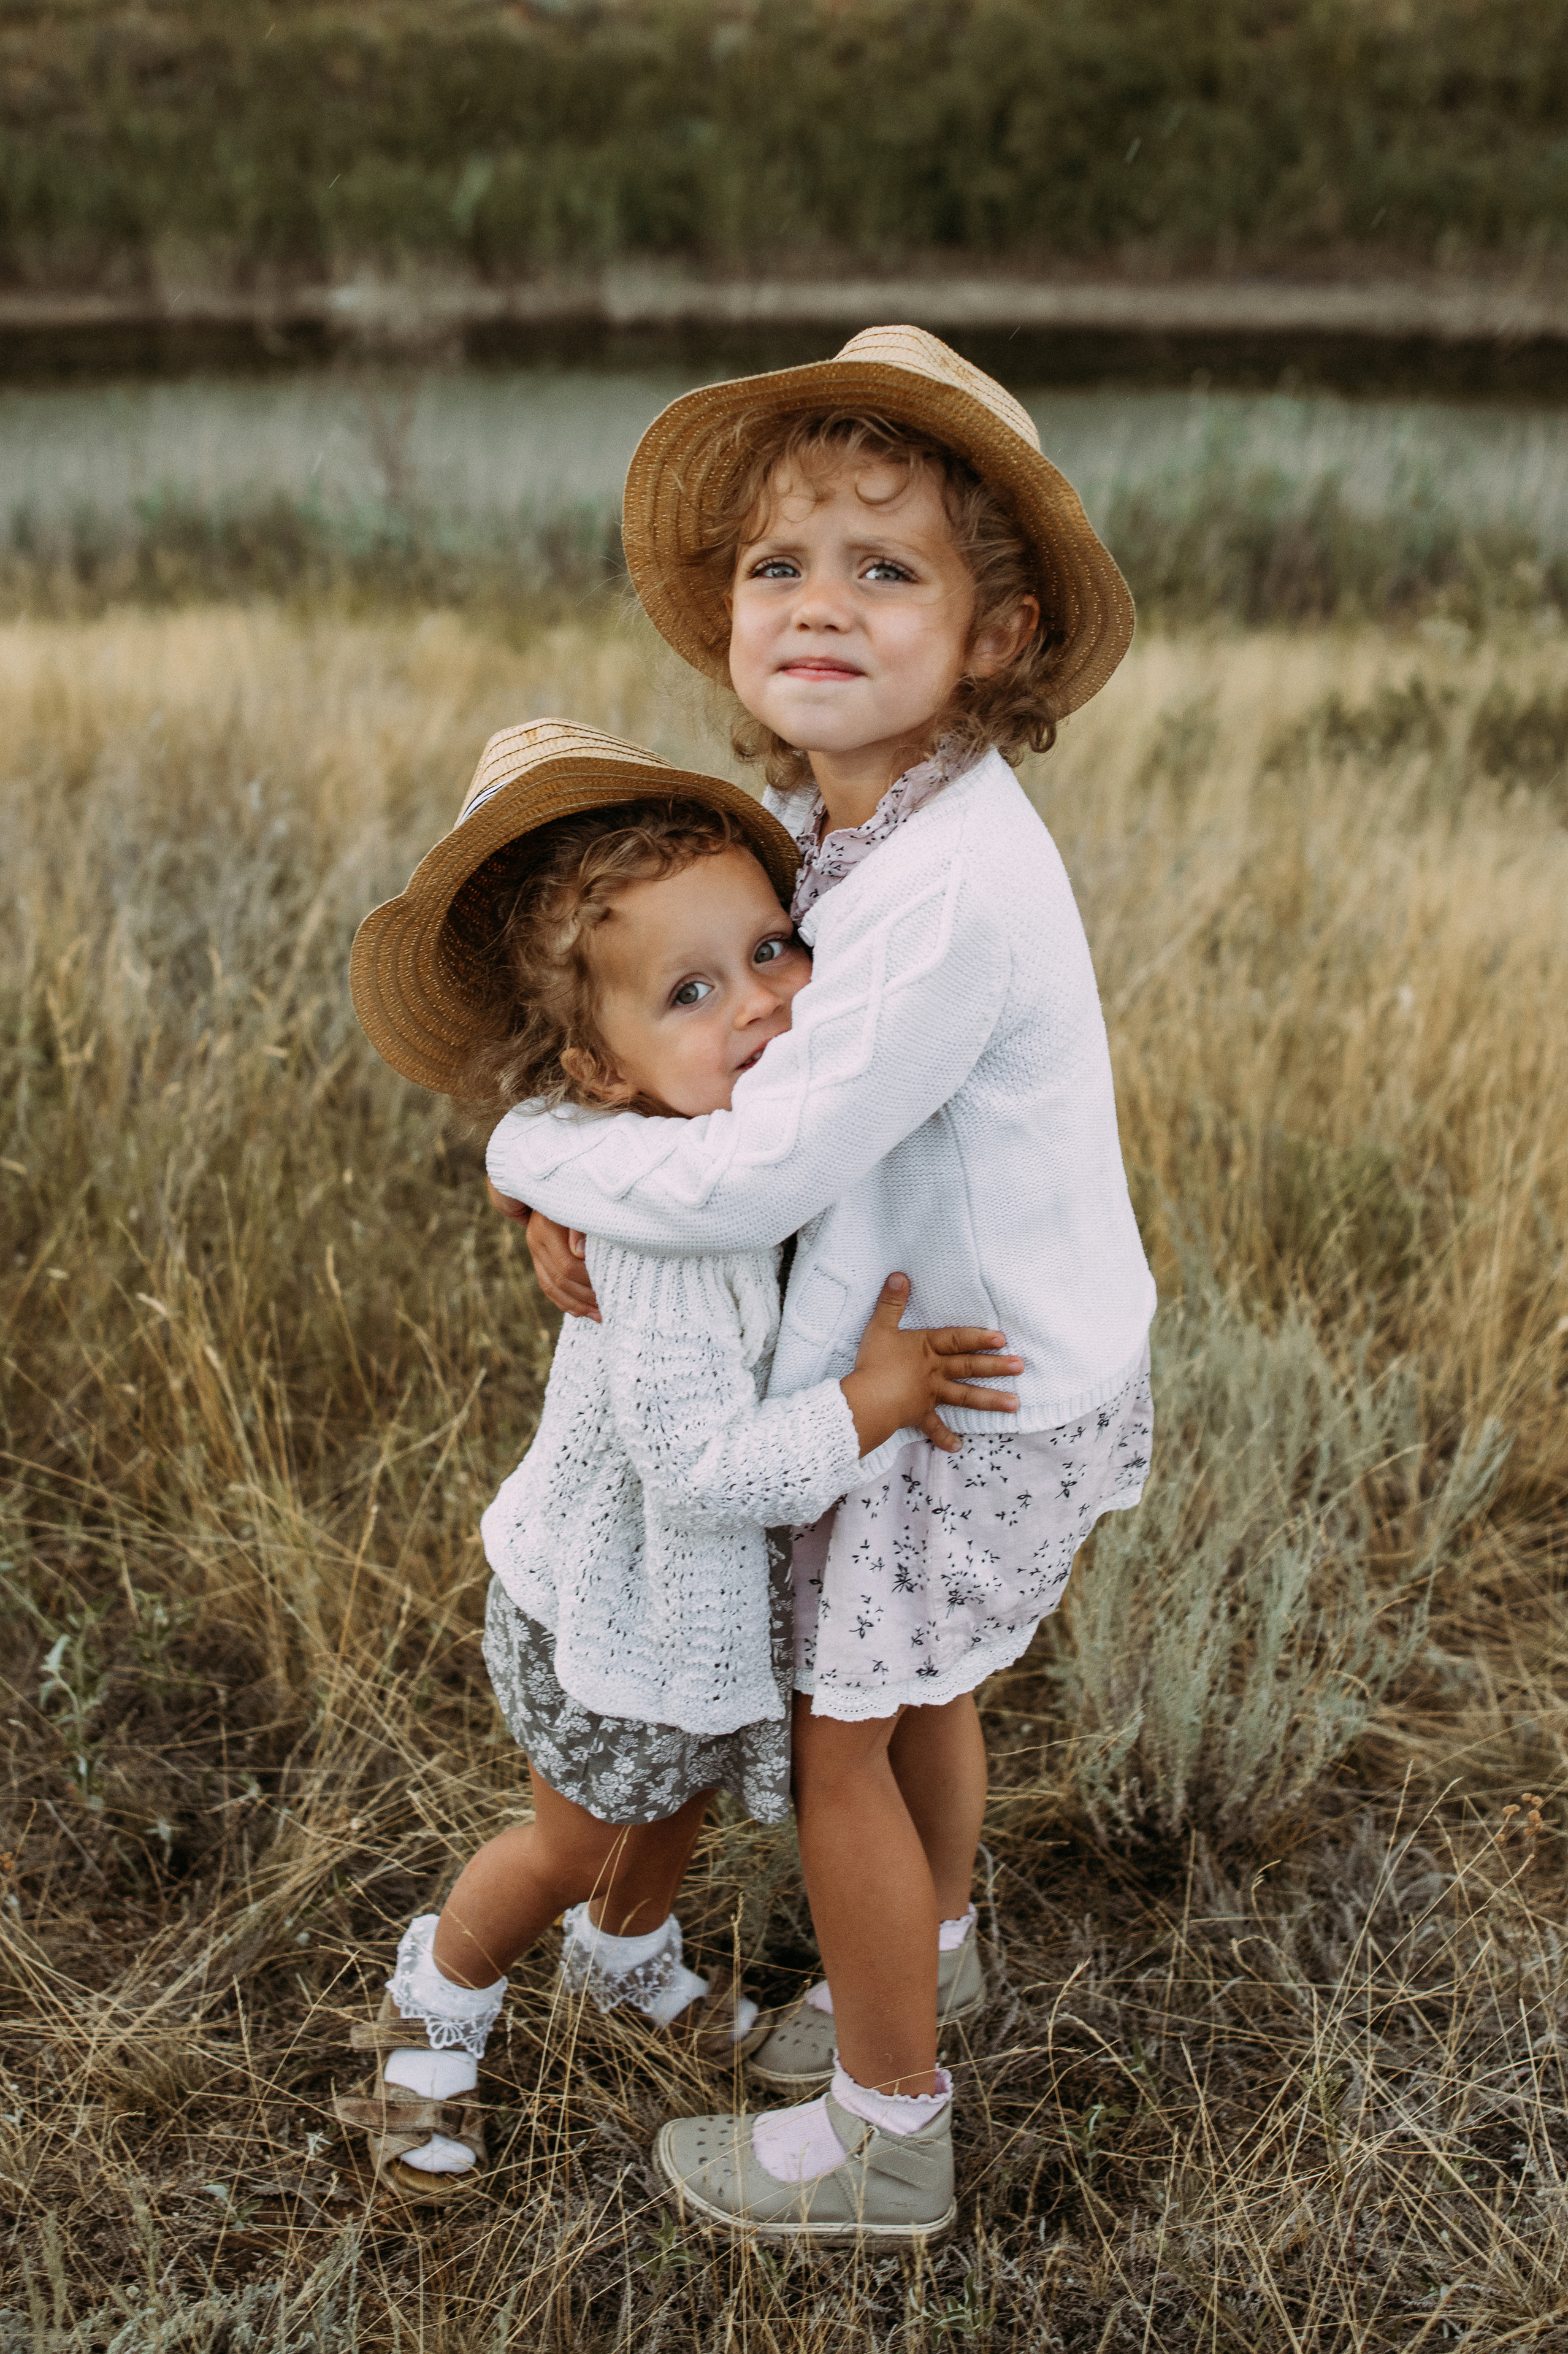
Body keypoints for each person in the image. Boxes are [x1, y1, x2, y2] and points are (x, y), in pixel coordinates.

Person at [486, 329, 1157, 2244]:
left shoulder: (943, 881)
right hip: (983, 1356)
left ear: (999, 632)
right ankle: (928, 1956)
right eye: (782, 566)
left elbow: (772, 1160)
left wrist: (537, 1156)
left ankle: (886, 2129)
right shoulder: (861, 835)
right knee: (916, 1686)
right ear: (725, 615)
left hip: (951, 1383)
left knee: (833, 1736)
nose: (821, 606)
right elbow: (777, 1107)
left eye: (889, 569)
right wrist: (618, 1203)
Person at [338, 718, 1020, 2206]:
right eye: (694, 991)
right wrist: (874, 1400)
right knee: (567, 1834)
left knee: (677, 1797)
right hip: (607, 1608)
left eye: (775, 949)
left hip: (694, 1615)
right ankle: (434, 2002)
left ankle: (628, 1949)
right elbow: (702, 1469)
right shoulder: (655, 1238)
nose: (766, 1006)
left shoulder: (743, 1137)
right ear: (598, 1067)